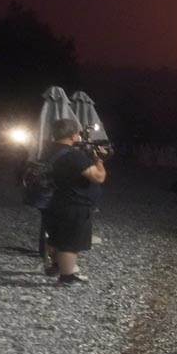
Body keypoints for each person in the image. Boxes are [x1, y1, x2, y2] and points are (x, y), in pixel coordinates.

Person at [42, 118, 107, 285]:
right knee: (70, 242)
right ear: (73, 135)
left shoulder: (48, 151)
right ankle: (67, 276)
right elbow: (98, 177)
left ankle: (55, 266)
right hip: (74, 203)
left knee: (56, 237)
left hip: (55, 200)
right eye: (77, 133)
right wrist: (99, 160)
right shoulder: (74, 156)